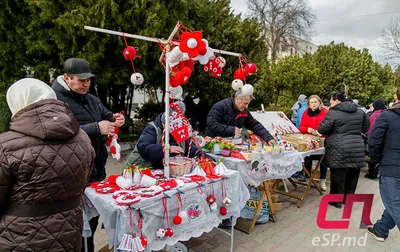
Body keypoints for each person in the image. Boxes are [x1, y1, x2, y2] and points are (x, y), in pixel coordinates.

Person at [0, 78, 94, 251]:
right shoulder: (83, 138)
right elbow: (84, 181)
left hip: (20, 239)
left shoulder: (5, 145)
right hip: (69, 235)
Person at [51, 58, 125, 252]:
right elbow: (59, 133)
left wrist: (116, 118)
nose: (86, 84)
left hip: (96, 172)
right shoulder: (54, 100)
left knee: (91, 223)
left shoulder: (91, 98)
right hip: (72, 174)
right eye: (81, 80)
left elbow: (106, 114)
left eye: (88, 80)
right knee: (76, 229)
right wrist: (95, 128)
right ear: (67, 78)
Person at [318, 91, 369, 208]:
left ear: (337, 100)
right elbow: (365, 127)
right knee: (353, 175)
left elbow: (322, 129)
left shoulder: (334, 112)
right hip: (356, 147)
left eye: (331, 100)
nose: (330, 102)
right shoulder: (360, 112)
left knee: (338, 175)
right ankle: (348, 199)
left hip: (338, 148)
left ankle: (336, 200)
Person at [125, 102, 210, 168]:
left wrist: (205, 158)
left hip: (161, 170)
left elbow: (190, 148)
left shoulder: (178, 131)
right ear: (164, 123)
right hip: (138, 169)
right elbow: (144, 148)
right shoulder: (152, 128)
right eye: (171, 127)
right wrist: (167, 148)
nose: (173, 130)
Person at [367, 88, 400, 242]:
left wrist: (376, 159)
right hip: (392, 166)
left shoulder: (387, 116)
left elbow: (374, 141)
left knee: (395, 204)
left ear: (395, 96)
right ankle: (381, 229)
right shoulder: (387, 116)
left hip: (392, 170)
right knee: (394, 202)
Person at [205, 85, 275, 145]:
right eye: (245, 103)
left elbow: (255, 125)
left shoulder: (244, 111)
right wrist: (231, 130)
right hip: (212, 143)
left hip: (229, 144)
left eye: (248, 103)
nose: (246, 106)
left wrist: (269, 138)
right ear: (237, 99)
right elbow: (211, 124)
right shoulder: (220, 106)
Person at [299, 95, 329, 190]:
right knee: (308, 158)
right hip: (310, 140)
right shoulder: (305, 113)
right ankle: (308, 179)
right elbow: (301, 127)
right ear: (309, 104)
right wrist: (308, 129)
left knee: (323, 160)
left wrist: (320, 131)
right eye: (311, 102)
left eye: (315, 102)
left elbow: (329, 125)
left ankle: (322, 181)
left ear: (319, 102)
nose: (314, 104)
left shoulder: (325, 112)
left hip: (322, 140)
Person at [365, 98, 386, 180]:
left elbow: (370, 128)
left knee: (373, 156)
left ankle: (372, 174)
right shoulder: (386, 113)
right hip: (384, 139)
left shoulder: (375, 114)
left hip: (375, 138)